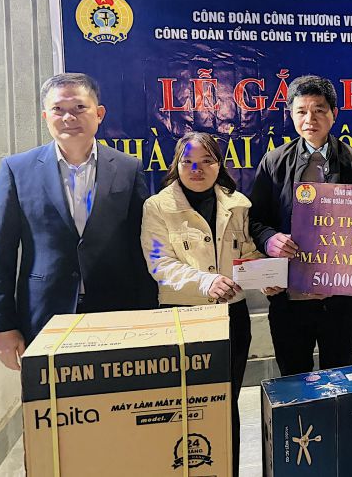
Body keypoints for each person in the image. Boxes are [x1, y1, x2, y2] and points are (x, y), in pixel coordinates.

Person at [0, 73, 156, 370]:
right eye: (58, 109)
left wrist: (149, 313)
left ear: (99, 114)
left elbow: (140, 245)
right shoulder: (17, 170)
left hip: (117, 309)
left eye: (79, 108)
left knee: (116, 403)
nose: (68, 118)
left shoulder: (128, 168)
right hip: (44, 312)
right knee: (55, 408)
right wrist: (3, 325)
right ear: (45, 116)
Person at [141, 131, 257, 476]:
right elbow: (160, 264)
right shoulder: (157, 207)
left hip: (233, 317)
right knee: (185, 407)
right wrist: (205, 282)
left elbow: (248, 252)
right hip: (183, 318)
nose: (197, 168)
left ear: (218, 165)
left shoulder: (239, 204)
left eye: (206, 160)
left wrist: (267, 277)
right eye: (188, 161)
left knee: (226, 403)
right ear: (176, 165)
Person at [248, 74, 352, 376]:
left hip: (339, 301)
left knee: (339, 378)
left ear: (334, 114)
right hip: (288, 297)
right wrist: (270, 240)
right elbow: (254, 220)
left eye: (319, 109)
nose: (310, 119)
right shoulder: (273, 162)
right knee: (293, 378)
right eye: (301, 111)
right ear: (291, 115)